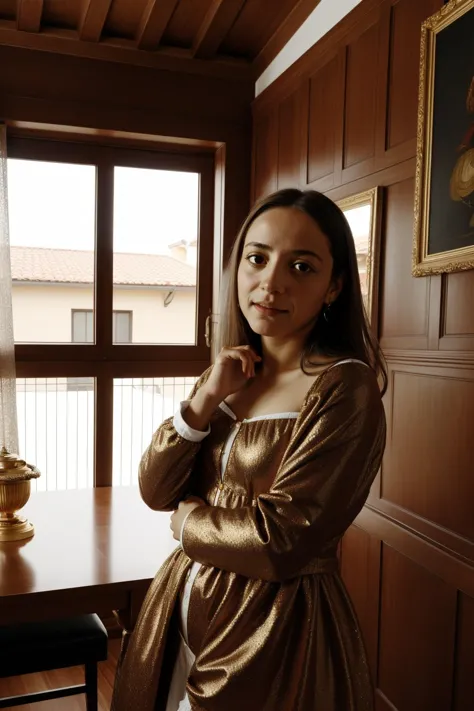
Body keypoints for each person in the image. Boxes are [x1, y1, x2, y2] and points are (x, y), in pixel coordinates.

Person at [111, 188, 387, 711]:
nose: (271, 282)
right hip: (178, 610)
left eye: (302, 267)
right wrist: (206, 398)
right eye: (257, 258)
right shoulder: (230, 373)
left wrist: (189, 523)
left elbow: (282, 540)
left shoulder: (346, 388)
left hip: (275, 630)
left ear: (334, 287)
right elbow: (154, 489)